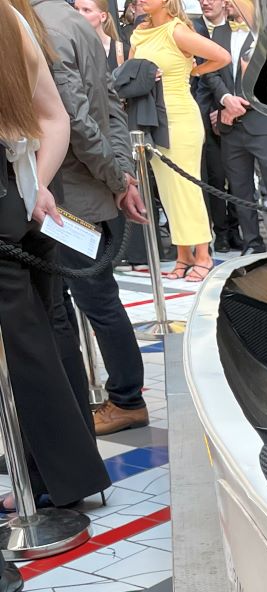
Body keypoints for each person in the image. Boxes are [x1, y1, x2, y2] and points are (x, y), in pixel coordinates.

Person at [0, 1, 110, 511]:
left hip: (22, 197)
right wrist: (36, 186)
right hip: (27, 195)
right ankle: (61, 473)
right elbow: (56, 118)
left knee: (28, 341)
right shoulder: (15, 19)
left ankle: (52, 477)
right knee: (44, 330)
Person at [32, 0, 152, 437]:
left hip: (69, 194)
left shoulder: (43, 26)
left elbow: (77, 119)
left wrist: (117, 177)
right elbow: (110, 106)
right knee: (85, 301)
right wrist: (120, 172)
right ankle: (105, 397)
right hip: (83, 187)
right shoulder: (70, 21)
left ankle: (125, 400)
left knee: (87, 302)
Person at [129, 0, 229, 282]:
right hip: (152, 117)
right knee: (168, 190)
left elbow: (222, 56)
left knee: (186, 187)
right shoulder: (139, 32)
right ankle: (183, 256)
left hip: (180, 117)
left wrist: (194, 72)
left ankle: (203, 255)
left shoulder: (178, 30)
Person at [209, 0, 267, 253]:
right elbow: (210, 72)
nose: (226, 3)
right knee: (240, 190)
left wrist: (245, 103)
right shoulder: (219, 33)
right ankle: (252, 242)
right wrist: (225, 99)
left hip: (263, 123)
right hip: (230, 128)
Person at [192, 0, 239, 252]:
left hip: (235, 110)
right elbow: (202, 75)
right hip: (204, 112)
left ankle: (236, 229)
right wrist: (214, 109)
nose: (205, 2)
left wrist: (225, 107)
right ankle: (221, 232)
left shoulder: (238, 27)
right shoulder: (193, 28)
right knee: (215, 175)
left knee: (239, 176)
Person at [73, 0, 124, 70]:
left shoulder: (121, 51)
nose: (79, 14)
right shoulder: (70, 49)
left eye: (86, 10)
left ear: (103, 16)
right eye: (76, 9)